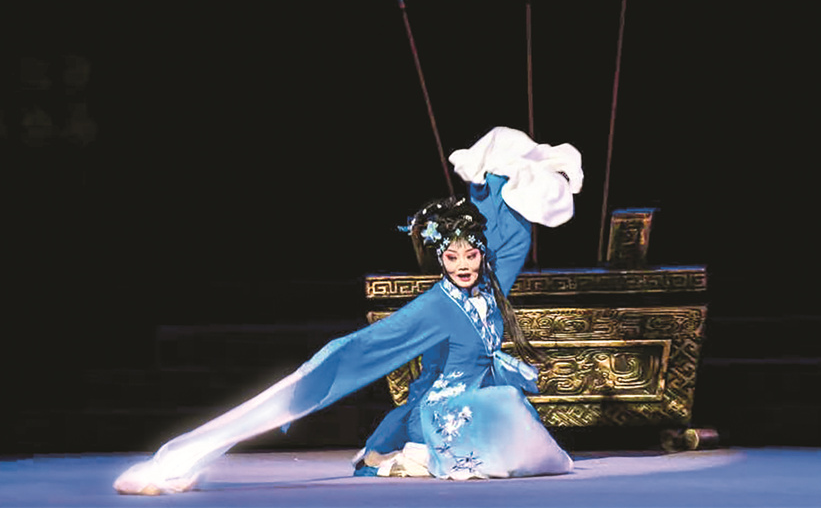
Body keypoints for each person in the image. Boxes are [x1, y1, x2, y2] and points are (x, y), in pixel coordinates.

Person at [113, 126, 584, 494]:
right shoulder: (435, 307)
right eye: (452, 257)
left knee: (523, 433)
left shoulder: (492, 284)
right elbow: (364, 347)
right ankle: (182, 456)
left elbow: (513, 234)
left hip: (480, 402)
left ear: (481, 255)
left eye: (471, 255)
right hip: (447, 410)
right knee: (505, 416)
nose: (463, 265)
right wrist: (307, 382)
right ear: (439, 260)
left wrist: (502, 173)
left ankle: (414, 453)